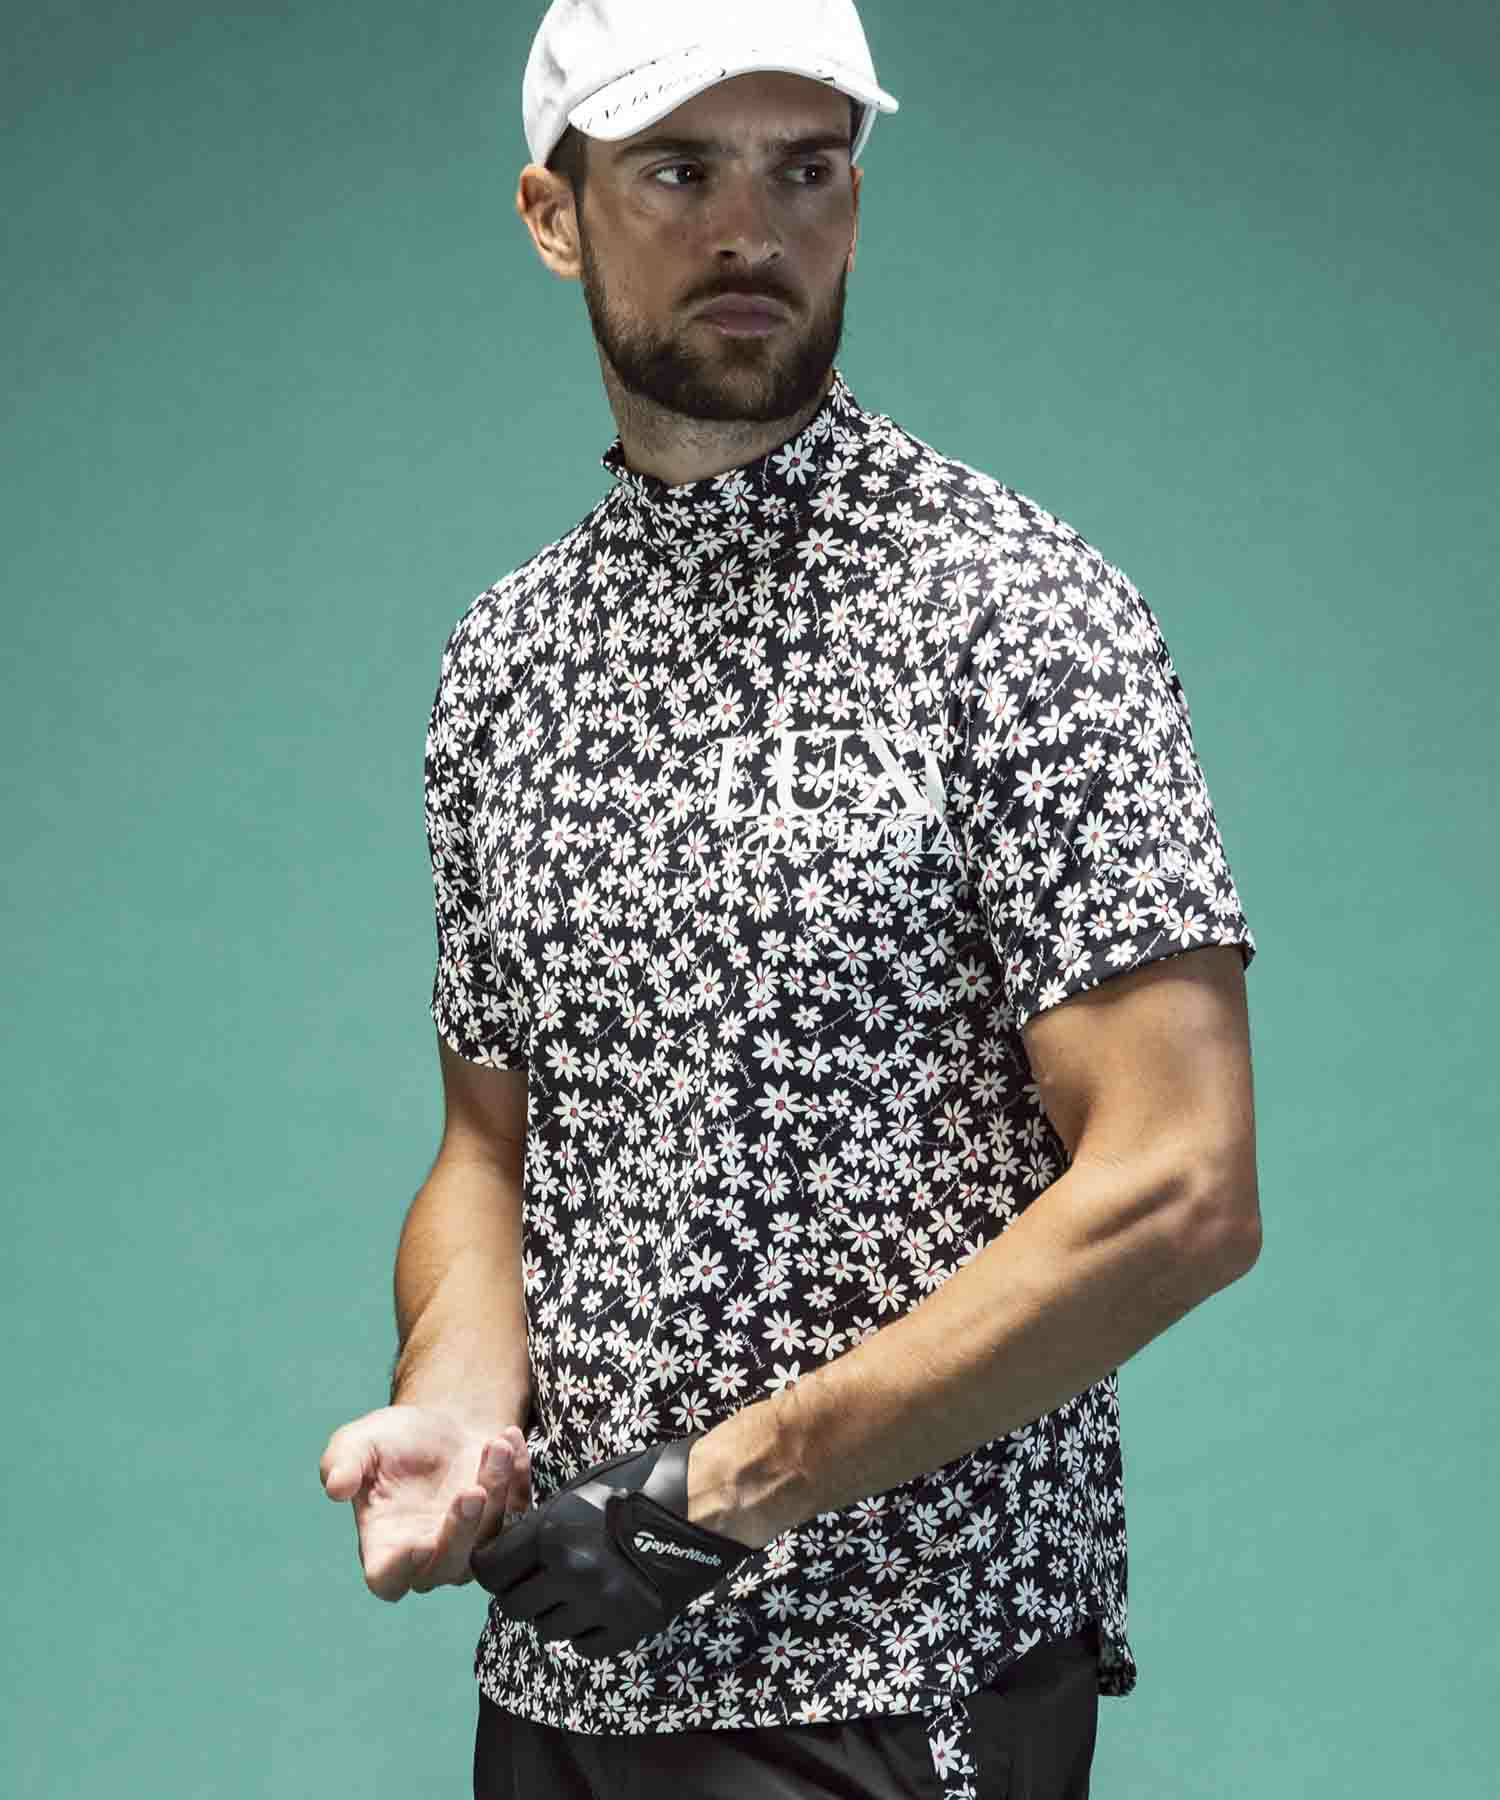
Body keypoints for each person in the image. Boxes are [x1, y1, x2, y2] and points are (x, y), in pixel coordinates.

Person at [319, 3, 1264, 1796]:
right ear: (554, 214)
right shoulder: (507, 664)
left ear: (855, 203)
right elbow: (491, 1155)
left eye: (807, 170)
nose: (752, 229)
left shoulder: (1011, 615)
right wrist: (456, 1404)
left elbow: (1182, 1188)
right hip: (569, 1668)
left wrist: (722, 1492)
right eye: (681, 170)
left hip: (900, 1677)